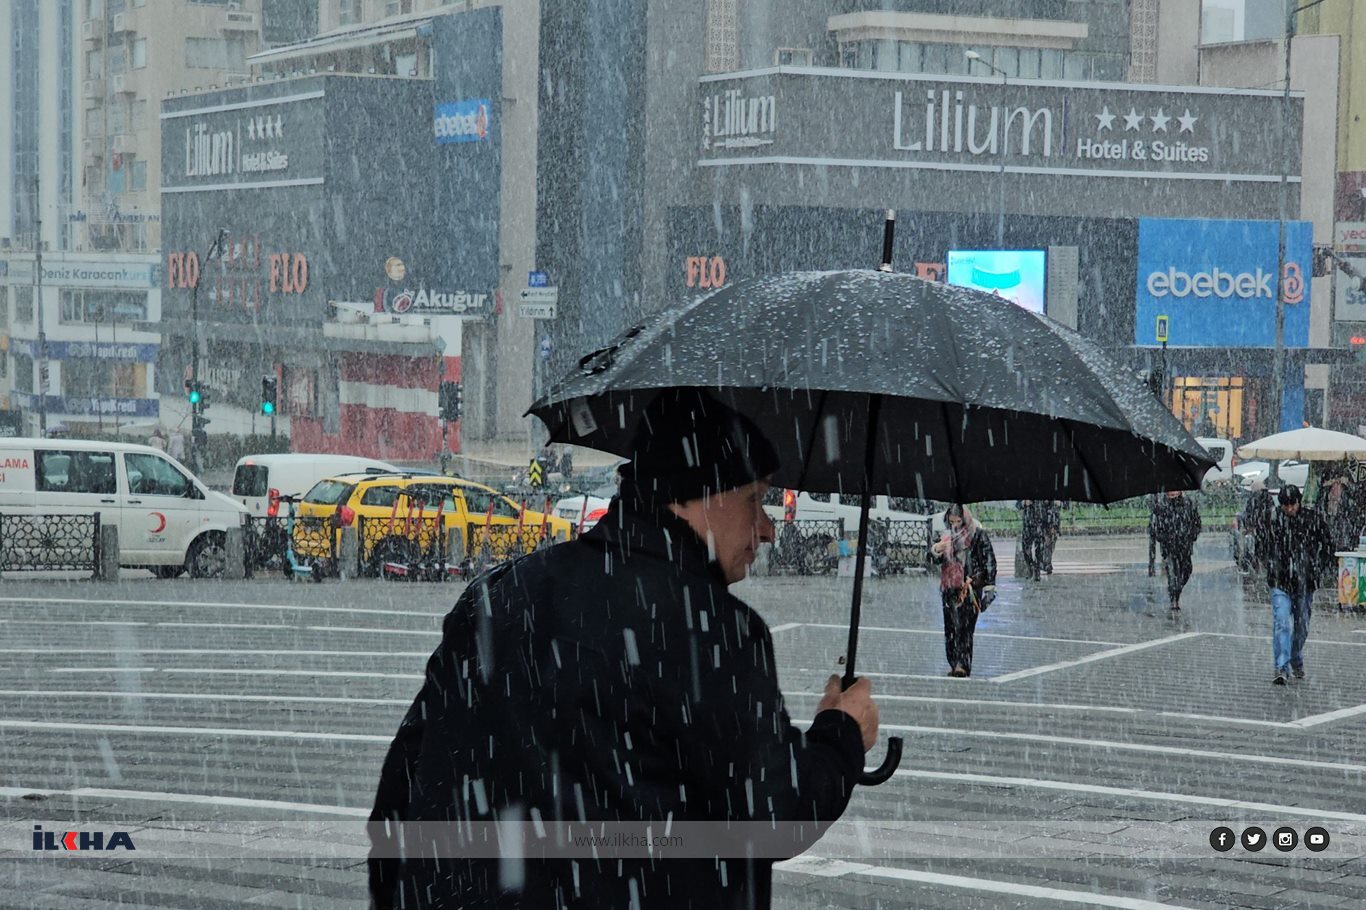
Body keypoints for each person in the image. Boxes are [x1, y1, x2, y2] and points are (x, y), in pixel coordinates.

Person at [368, 388, 879, 909]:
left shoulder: (503, 594)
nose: (767, 528)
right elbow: (773, 814)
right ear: (690, 497)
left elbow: (402, 792)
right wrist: (841, 734)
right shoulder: (712, 628)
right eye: (754, 500)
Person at [1260, 484, 1334, 685]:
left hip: (1305, 581)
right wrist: (1270, 564)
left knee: (1302, 626)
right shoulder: (1273, 519)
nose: (1289, 509)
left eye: (1292, 504)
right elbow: (1262, 544)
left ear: (1298, 502)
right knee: (1282, 621)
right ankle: (1281, 666)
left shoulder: (1312, 518)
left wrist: (1317, 568)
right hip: (1280, 581)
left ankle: (1295, 657)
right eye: (1285, 505)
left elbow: (1327, 544)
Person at [930, 504, 997, 678]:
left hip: (969, 588)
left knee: (965, 629)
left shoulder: (977, 535)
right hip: (949, 588)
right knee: (950, 628)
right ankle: (954, 663)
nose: (955, 526)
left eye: (958, 521)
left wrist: (986, 584)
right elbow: (931, 560)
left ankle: (962, 665)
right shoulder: (945, 537)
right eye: (951, 522)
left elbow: (989, 561)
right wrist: (936, 550)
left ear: (965, 519)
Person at [1151, 490, 1201, 611]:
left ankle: (1176, 590)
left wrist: (1191, 535)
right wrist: (1165, 538)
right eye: (1170, 491)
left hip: (1185, 545)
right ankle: (1174, 598)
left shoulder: (1188, 504)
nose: (1172, 493)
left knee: (1187, 569)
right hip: (1169, 546)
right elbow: (1156, 527)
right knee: (1174, 572)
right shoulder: (1161, 506)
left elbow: (1196, 522)